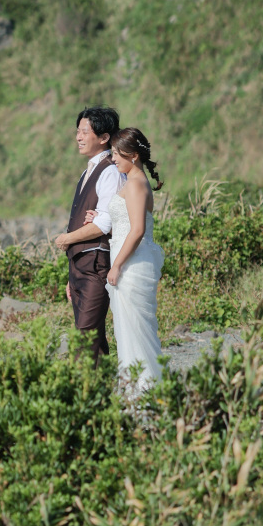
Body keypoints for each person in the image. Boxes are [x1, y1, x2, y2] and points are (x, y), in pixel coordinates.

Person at [85, 126, 165, 396]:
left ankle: (144, 403)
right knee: (129, 334)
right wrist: (97, 218)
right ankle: (138, 399)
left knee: (136, 335)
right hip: (130, 262)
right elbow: (123, 221)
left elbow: (138, 229)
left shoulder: (136, 183)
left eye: (117, 154)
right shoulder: (134, 182)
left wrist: (116, 265)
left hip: (130, 266)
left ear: (132, 156)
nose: (113, 159)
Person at [54, 106, 123, 364]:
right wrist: (71, 275)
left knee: (85, 337)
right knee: (93, 336)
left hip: (96, 265)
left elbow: (104, 223)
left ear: (104, 137)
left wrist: (67, 239)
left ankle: (81, 393)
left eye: (85, 131)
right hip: (80, 266)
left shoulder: (110, 171)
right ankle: (101, 388)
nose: (78, 137)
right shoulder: (89, 170)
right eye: (77, 132)